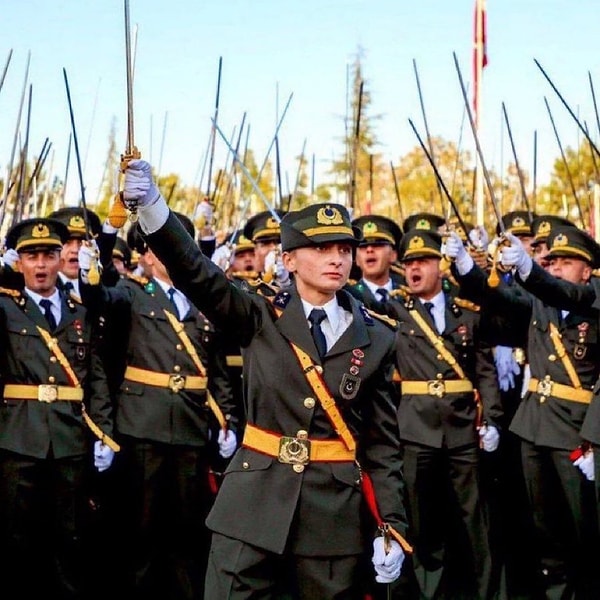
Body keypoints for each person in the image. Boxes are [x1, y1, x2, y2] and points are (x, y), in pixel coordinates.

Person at [122, 158, 409, 599]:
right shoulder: (258, 312)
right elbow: (197, 274)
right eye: (321, 248)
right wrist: (154, 208)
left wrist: (392, 525)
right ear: (289, 259)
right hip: (253, 504)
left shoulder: (377, 336)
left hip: (332, 515)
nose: (336, 258)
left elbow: (383, 444)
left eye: (344, 248)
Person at [79, 210, 238, 600]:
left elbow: (218, 370)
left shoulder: (206, 301)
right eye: (161, 248)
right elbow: (98, 296)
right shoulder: (134, 294)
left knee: (187, 531)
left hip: (190, 427)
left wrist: (227, 421)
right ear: (146, 255)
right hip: (143, 425)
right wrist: (94, 261)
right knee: (141, 530)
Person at [446, 226, 600, 598]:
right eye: (554, 261)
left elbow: (559, 290)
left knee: (587, 533)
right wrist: (467, 266)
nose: (558, 268)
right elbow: (500, 295)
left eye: (567, 262)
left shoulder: (594, 299)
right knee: (545, 531)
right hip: (534, 428)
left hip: (578, 433)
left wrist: (596, 436)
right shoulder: (539, 304)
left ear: (588, 270)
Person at [0, 217, 115, 599]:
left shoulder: (79, 312)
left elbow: (95, 378)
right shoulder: (5, 309)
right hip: (17, 440)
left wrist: (103, 432)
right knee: (18, 541)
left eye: (48, 255)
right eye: (32, 256)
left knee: (69, 537)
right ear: (19, 262)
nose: (42, 265)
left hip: (70, 440)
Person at [386, 228, 502, 599]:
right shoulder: (394, 309)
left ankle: (487, 593)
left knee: (477, 523)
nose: (415, 269)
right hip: (416, 429)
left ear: (440, 265)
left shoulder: (465, 312)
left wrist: (494, 419)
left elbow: (484, 370)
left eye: (423, 261)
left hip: (464, 429)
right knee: (423, 524)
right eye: (409, 263)